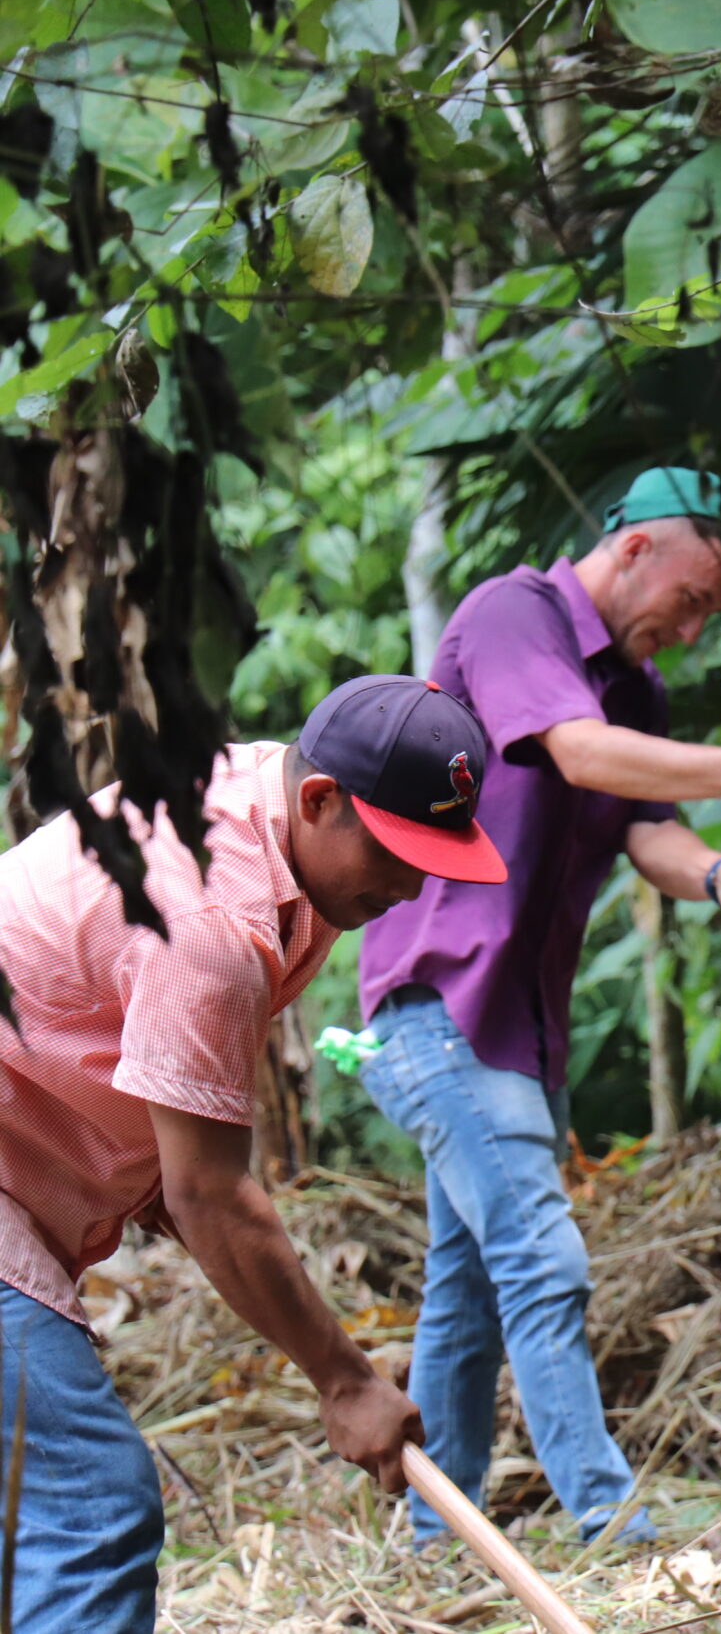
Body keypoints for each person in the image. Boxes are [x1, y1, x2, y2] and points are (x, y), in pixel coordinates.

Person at [0, 674, 508, 1633]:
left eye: (433, 860)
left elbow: (181, 1164)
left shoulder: (262, 806)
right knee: (89, 1506)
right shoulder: (209, 913)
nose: (408, 888)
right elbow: (212, 1194)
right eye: (397, 852)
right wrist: (345, 1379)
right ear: (320, 801)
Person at [357, 466, 721, 1546]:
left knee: (465, 1289)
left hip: (518, 1028)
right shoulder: (517, 614)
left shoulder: (636, 693)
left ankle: (434, 1541)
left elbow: (643, 824)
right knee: (541, 1259)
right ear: (635, 546)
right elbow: (574, 750)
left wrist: (720, 878)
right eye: (692, 600)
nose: (692, 632)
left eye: (711, 614)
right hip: (442, 1003)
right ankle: (611, 1524)